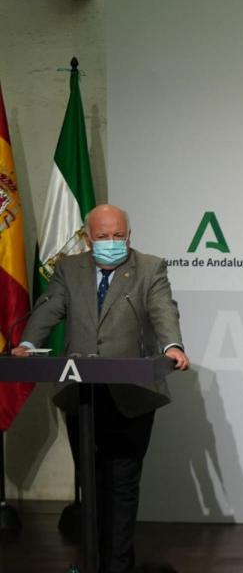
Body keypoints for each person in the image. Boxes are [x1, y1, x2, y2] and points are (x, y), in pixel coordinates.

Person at [13, 204, 189, 573]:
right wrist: (28, 345)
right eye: (104, 236)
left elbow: (163, 310)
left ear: (129, 235)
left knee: (122, 487)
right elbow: (48, 310)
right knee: (92, 489)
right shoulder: (69, 269)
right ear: (88, 238)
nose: (112, 242)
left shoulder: (149, 268)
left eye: (119, 236)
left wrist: (172, 345)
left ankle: (117, 567)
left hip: (131, 397)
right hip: (84, 398)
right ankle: (96, 563)